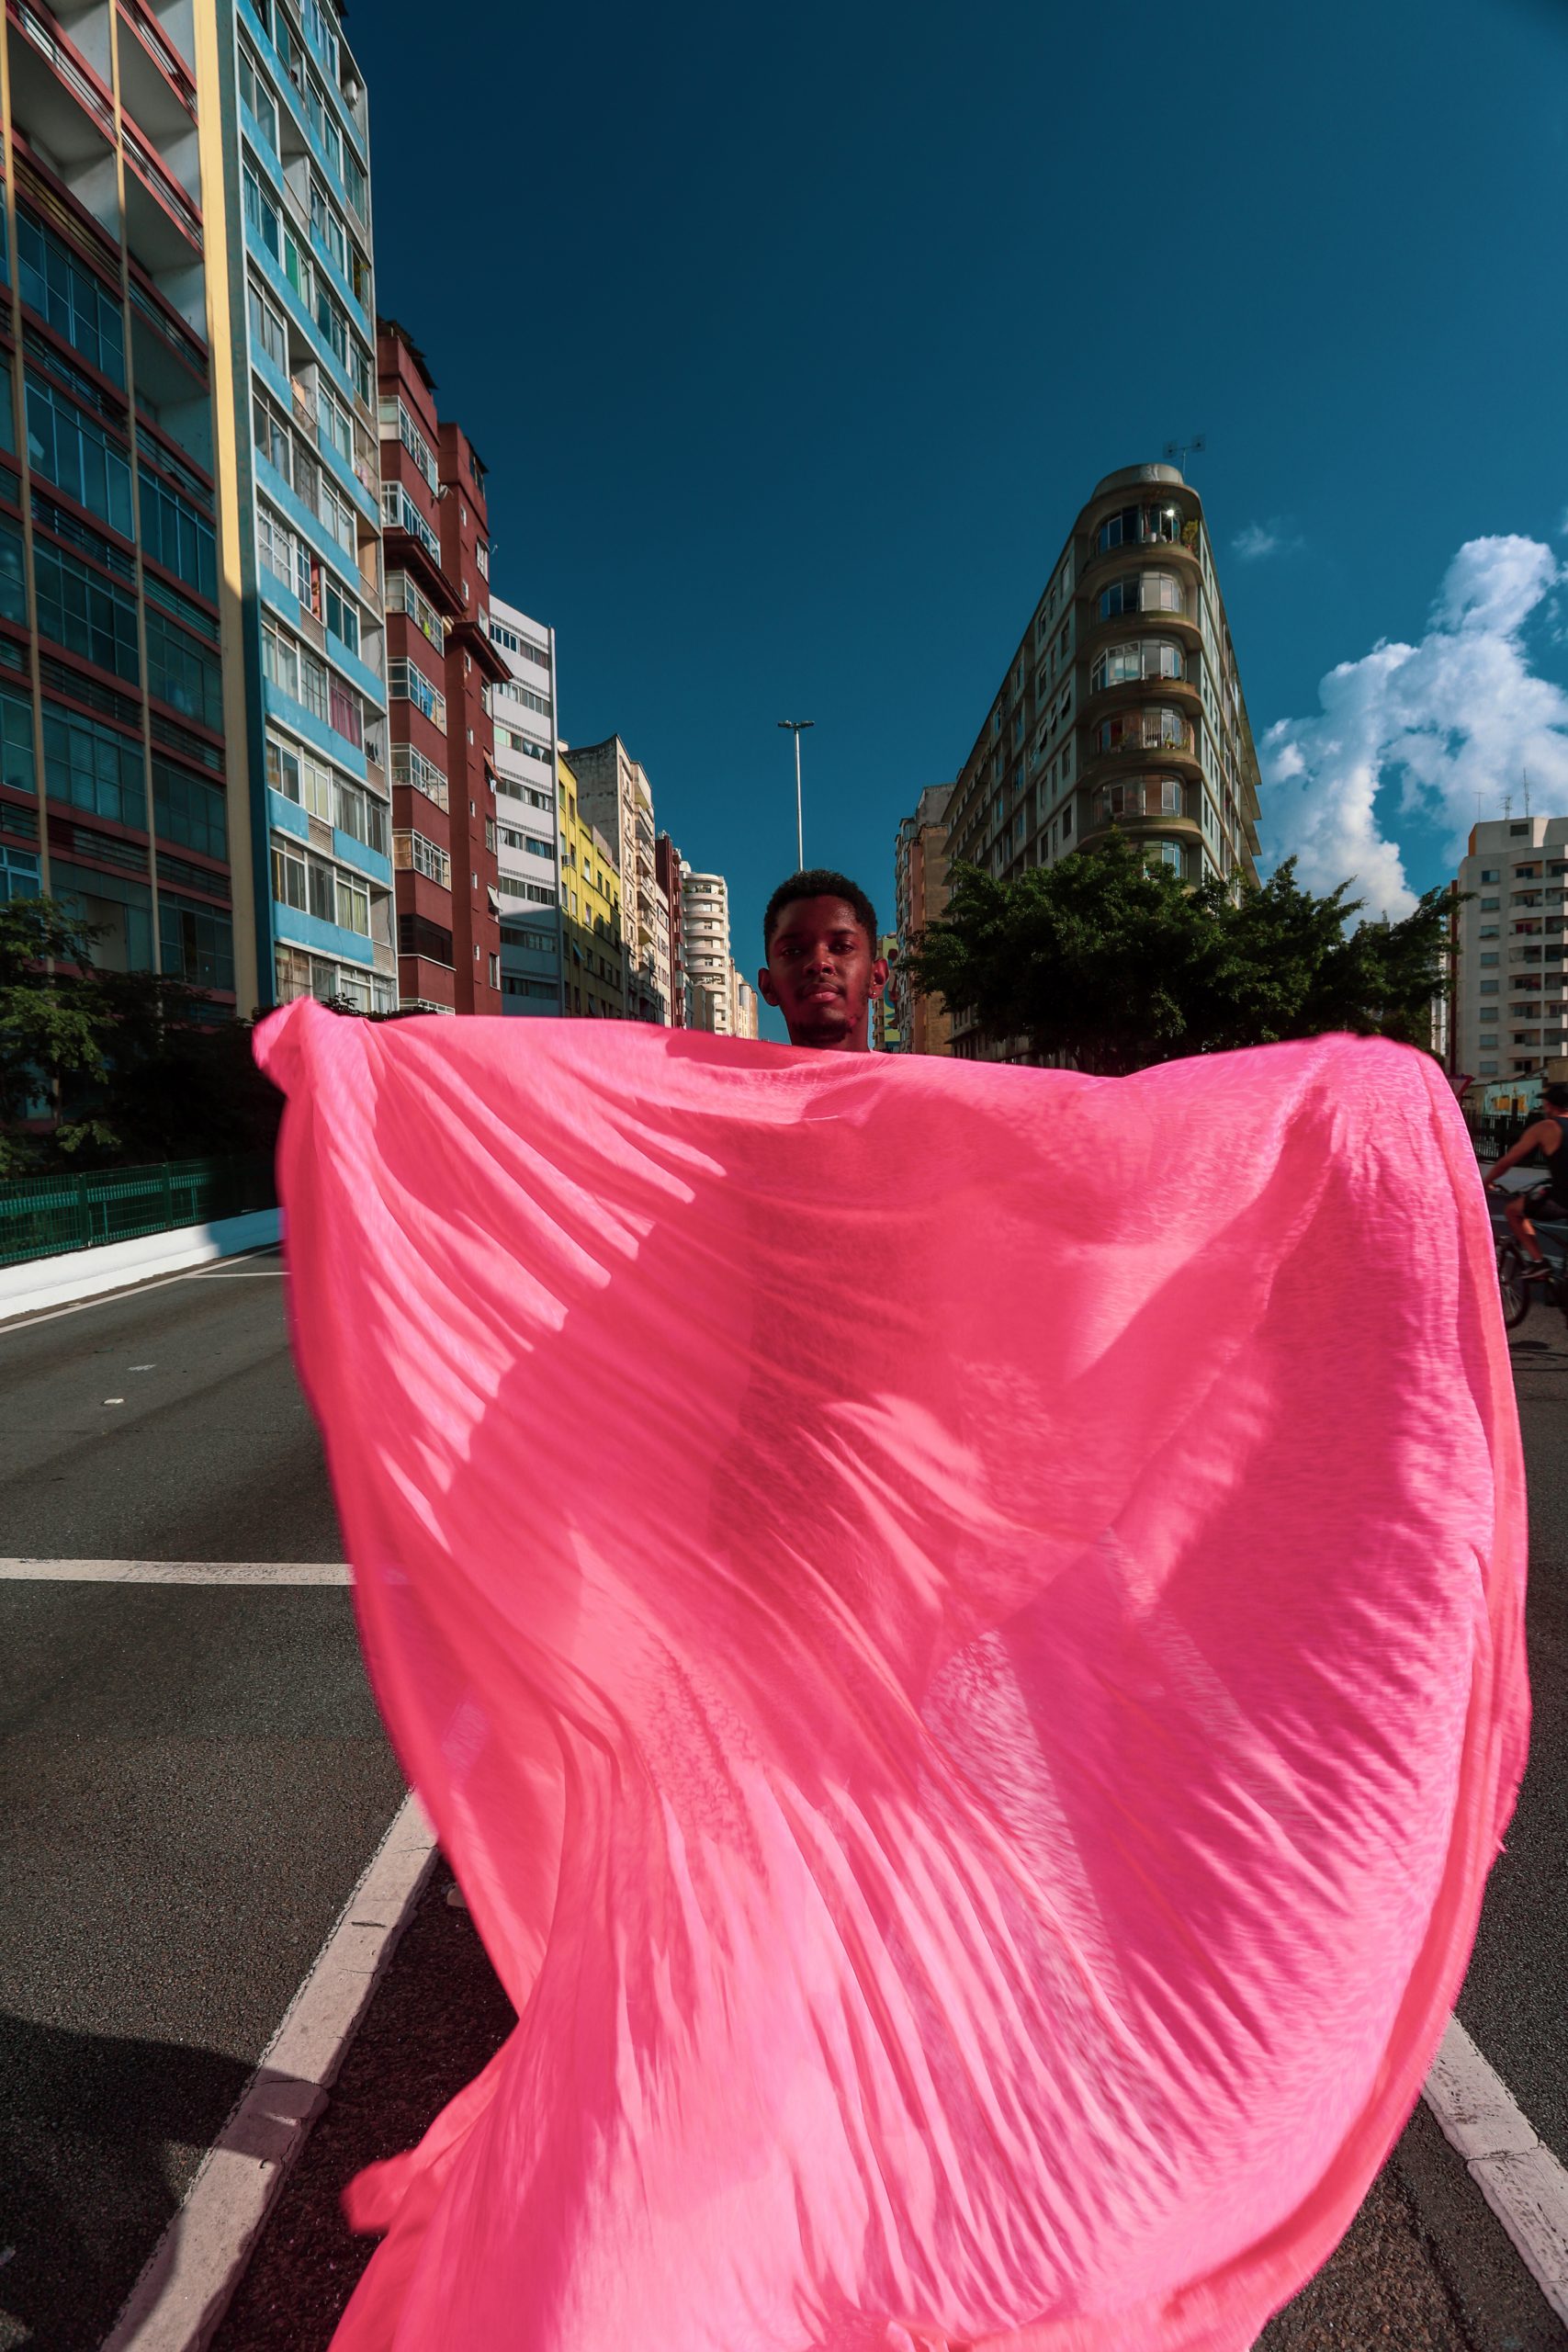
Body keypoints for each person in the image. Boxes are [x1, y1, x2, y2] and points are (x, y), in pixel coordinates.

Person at [756, 867, 889, 1051]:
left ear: (877, 978)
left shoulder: (925, 1079)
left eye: (843, 947)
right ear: (768, 986)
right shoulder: (723, 1079)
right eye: (793, 951)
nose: (819, 962)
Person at [1483, 1080, 1568, 1276]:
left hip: (1562, 1199)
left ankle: (1539, 1262)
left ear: (1549, 1105)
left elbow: (1507, 1162)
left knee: (1513, 1211)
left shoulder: (1547, 1127)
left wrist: (1485, 1182)